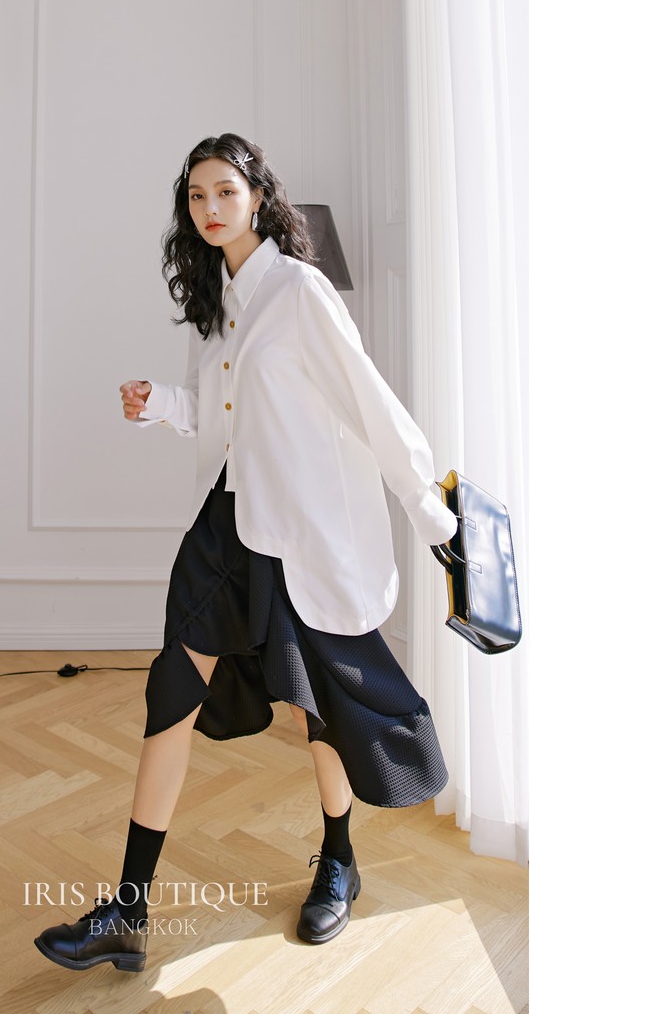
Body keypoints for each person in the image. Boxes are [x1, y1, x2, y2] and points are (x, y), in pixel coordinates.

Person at [33, 133, 457, 974]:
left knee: (313, 707)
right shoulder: (221, 299)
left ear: (258, 196)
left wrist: (430, 512)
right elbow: (226, 412)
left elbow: (370, 403)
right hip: (224, 528)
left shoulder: (299, 292)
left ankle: (339, 861)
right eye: (197, 196)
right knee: (171, 694)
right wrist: (162, 404)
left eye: (225, 191)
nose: (211, 208)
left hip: (291, 534)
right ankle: (128, 912)